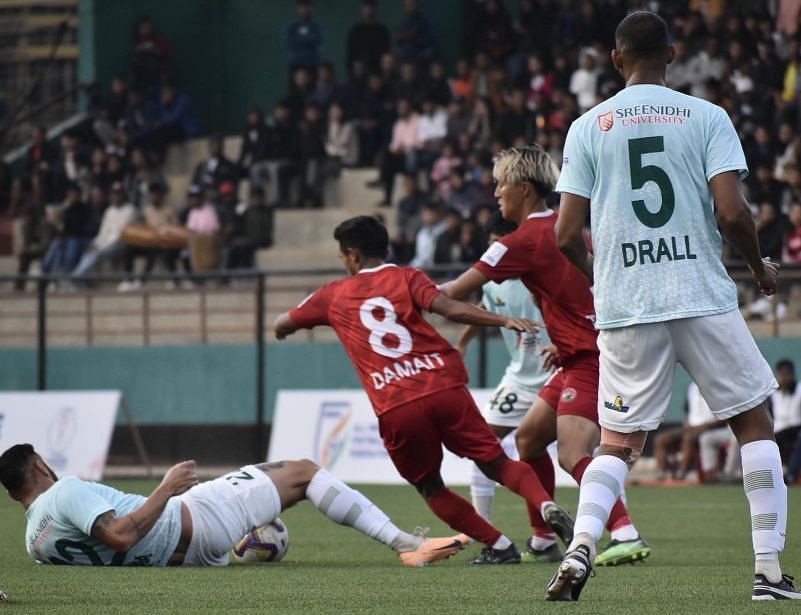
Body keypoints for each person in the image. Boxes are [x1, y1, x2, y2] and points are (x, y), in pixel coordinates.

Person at [550, 11, 798, 601]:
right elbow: (733, 214)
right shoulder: (708, 117)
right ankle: (768, 571)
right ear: (673, 52)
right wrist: (760, 268)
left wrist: (602, 277)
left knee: (615, 443)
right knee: (753, 423)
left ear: (615, 58)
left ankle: (582, 546)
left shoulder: (586, 127)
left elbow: (564, 235)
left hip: (626, 304)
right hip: (700, 293)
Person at [274, 215, 576, 565]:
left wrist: (285, 328)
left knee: (431, 487)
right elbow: (449, 307)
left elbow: (284, 322)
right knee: (496, 462)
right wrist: (501, 320)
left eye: (344, 258)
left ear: (353, 255)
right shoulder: (407, 275)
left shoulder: (331, 295)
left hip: (396, 403)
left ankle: (499, 545)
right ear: (385, 249)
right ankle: (545, 504)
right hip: (443, 385)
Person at [439, 145, 647, 570]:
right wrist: (567, 339)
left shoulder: (523, 241)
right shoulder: (569, 227)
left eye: (502, 183)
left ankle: (625, 531)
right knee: (529, 438)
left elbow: (452, 294)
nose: (496, 192)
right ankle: (541, 539)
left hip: (591, 356)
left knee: (572, 453)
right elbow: (581, 290)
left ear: (525, 189)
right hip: (580, 351)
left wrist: (396, 285)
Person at [0, 443, 464, 568]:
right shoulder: (61, 491)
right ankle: (405, 544)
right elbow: (119, 536)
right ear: (41, 464)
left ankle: (252, 543)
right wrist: (167, 488)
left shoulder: (32, 543)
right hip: (195, 517)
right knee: (303, 471)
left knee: (273, 493)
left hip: (185, 559)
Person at [455, 213, 560, 562]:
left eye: (500, 247)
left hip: (557, 372)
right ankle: (484, 531)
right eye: (492, 248)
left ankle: (620, 528)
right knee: (481, 446)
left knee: (585, 453)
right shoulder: (491, 281)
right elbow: (484, 309)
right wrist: (464, 342)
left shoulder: (540, 276)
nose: (495, 255)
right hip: (519, 379)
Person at [770, 359, 801, 466]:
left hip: (796, 428)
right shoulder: (774, 394)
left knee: (780, 437)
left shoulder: (799, 391)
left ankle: (787, 470)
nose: (784, 378)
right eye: (781, 374)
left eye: (787, 374)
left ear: (792, 375)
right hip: (777, 430)